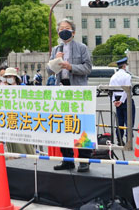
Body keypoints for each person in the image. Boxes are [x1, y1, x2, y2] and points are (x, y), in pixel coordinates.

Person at [48, 18, 93, 172]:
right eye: (61, 29)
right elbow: (49, 71)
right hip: (61, 88)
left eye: (66, 28)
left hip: (78, 89)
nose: (63, 30)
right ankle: (67, 159)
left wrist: (70, 66)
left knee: (81, 125)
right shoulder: (56, 49)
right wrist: (55, 60)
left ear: (73, 32)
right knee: (63, 125)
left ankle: (84, 160)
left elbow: (87, 68)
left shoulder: (82, 47)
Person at [1, 67, 36, 155]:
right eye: (7, 76)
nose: (8, 78)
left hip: (22, 119)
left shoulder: (22, 87)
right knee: (12, 145)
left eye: (10, 76)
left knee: (24, 145)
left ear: (15, 77)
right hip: (10, 119)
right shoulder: (4, 89)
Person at [109, 58, 134, 145]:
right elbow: (127, 89)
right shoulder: (127, 76)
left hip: (116, 99)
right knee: (129, 120)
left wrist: (115, 101)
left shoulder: (113, 76)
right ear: (124, 66)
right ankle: (128, 139)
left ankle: (119, 139)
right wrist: (122, 101)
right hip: (126, 100)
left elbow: (110, 90)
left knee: (120, 121)